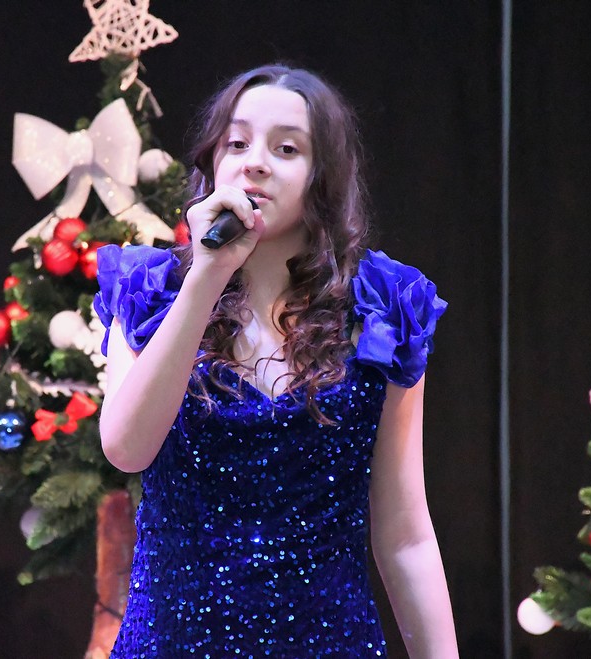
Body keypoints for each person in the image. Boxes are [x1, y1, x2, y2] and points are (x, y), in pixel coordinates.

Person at [94, 64, 458, 658]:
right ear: (213, 162)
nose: (255, 163)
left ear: (324, 176)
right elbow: (126, 449)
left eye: (286, 148)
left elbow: (404, 534)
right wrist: (207, 277)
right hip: (171, 643)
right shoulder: (149, 293)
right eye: (237, 143)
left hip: (330, 644)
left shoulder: (382, 311)